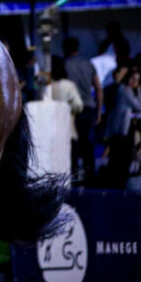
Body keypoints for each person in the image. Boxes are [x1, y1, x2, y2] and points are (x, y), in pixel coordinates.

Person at [63, 36, 103, 178]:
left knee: (73, 142)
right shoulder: (88, 64)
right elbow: (98, 88)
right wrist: (98, 111)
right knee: (88, 143)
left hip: (72, 109)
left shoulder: (65, 65)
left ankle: (73, 174)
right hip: (89, 107)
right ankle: (90, 173)